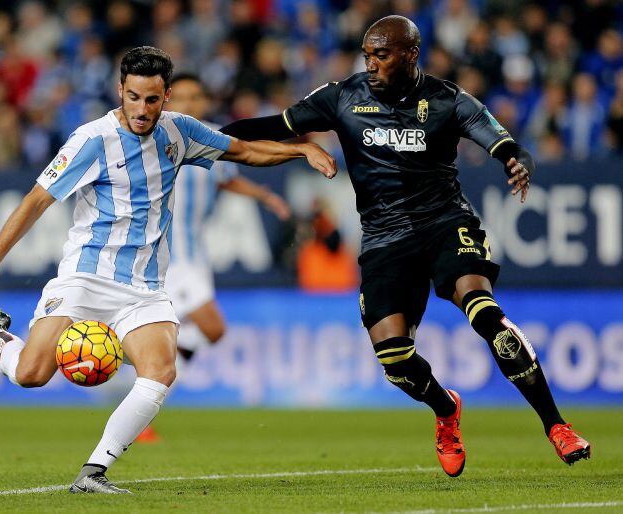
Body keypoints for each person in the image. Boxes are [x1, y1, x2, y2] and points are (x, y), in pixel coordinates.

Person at [221, 16, 590, 477]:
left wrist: (516, 161)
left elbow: (505, 142)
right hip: (383, 239)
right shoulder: (342, 97)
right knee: (394, 359)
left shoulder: (448, 100)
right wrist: (206, 139)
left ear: (411, 54)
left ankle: (557, 425)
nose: (371, 63)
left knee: (486, 316)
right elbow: (274, 125)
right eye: (366, 54)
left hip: (444, 224)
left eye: (381, 54)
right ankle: (445, 409)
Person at [0, 46, 336, 494]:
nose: (142, 109)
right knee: (32, 374)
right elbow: (37, 199)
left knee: (160, 371)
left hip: (145, 286)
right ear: (120, 91)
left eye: (152, 100)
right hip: (86, 276)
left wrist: (302, 149)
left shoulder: (180, 132)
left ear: (167, 96)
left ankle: (93, 471)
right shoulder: (91, 139)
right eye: (133, 97)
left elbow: (245, 152)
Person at [164, 73, 291, 361]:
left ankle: (147, 379)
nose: (189, 103)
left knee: (201, 334)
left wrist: (265, 196)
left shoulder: (215, 136)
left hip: (195, 252)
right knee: (213, 328)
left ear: (205, 101)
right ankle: (126, 361)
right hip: (169, 254)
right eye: (181, 97)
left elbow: (226, 177)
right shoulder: (157, 136)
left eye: (195, 97)